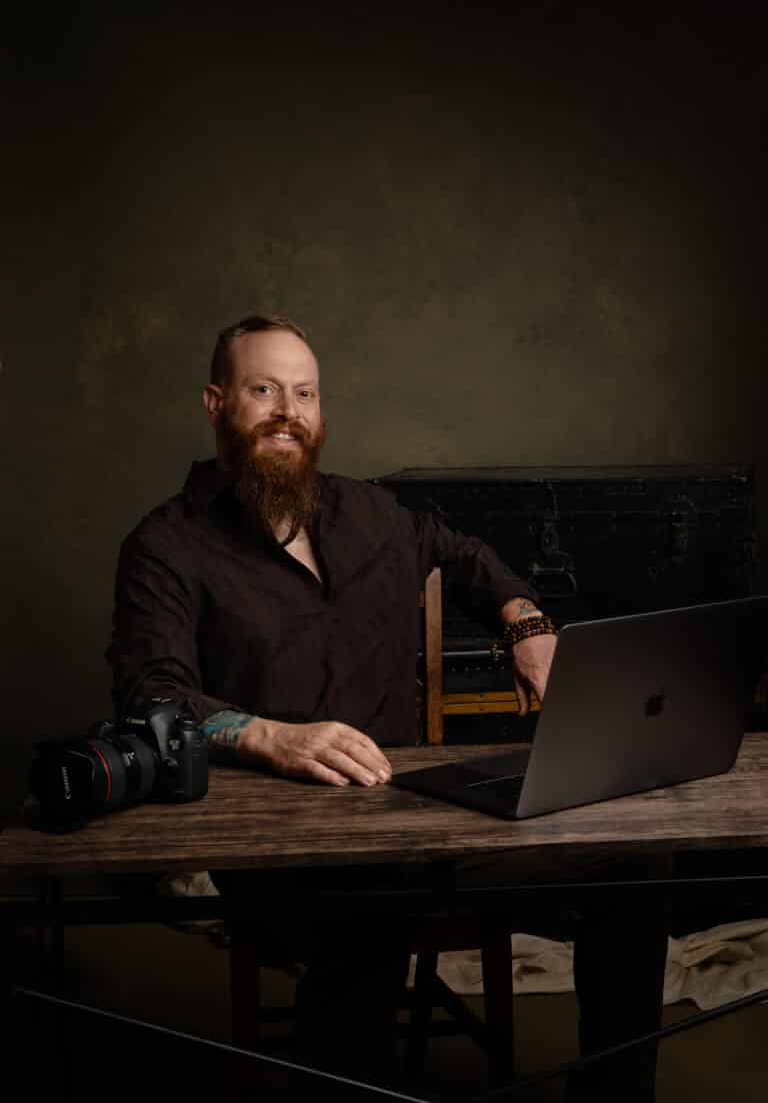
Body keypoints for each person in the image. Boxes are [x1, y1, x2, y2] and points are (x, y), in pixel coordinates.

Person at [107, 314, 666, 1098]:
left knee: (631, 870)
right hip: (280, 844)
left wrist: (526, 623)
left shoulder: (369, 512)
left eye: (305, 393)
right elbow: (151, 695)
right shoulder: (167, 545)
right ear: (216, 402)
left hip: (418, 818)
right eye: (264, 389)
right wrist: (274, 738)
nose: (288, 412)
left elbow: (466, 558)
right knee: (368, 919)